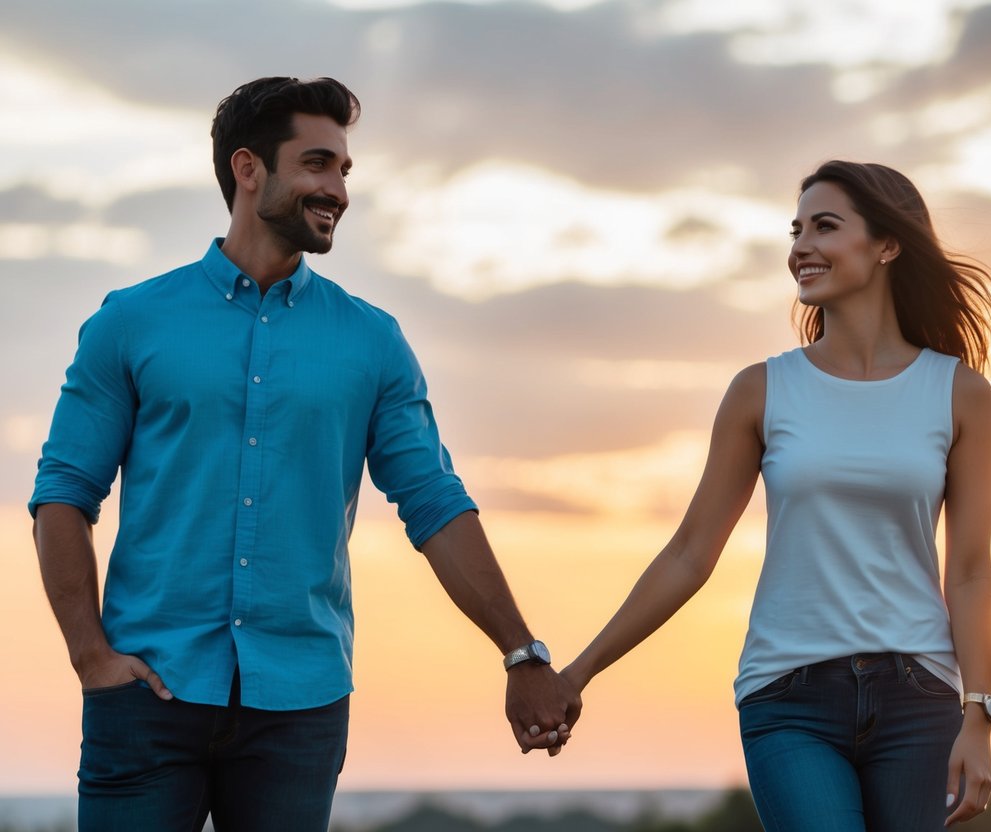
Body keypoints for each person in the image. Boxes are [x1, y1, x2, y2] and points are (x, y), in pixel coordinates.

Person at [30, 76, 579, 832]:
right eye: (317, 164)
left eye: (345, 171)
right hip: (147, 697)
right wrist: (90, 657)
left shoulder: (371, 341)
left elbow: (433, 501)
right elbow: (63, 492)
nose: (338, 190)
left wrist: (521, 652)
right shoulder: (131, 323)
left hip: (300, 707)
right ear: (248, 169)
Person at [561, 160, 991, 831]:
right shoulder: (761, 391)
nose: (800, 246)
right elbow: (688, 554)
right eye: (795, 230)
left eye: (824, 226)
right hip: (788, 699)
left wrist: (978, 714)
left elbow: (968, 572)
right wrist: (579, 670)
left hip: (918, 700)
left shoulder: (958, 393)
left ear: (885, 245)